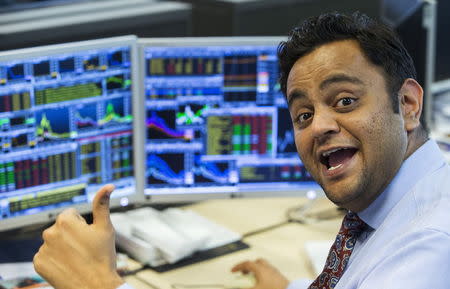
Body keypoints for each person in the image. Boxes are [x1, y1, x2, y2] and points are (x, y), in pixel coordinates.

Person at [33, 12, 450, 289]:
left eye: (344, 101)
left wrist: (97, 282)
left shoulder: (429, 246)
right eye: (303, 114)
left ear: (408, 105)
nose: (319, 125)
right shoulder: (392, 210)